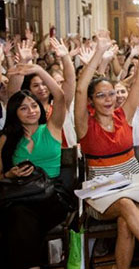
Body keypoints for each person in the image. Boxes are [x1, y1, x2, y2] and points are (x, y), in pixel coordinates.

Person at [74, 20, 139, 269]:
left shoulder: (125, 115)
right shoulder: (84, 125)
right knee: (124, 205)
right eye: (100, 95)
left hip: (133, 179)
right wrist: (99, 52)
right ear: (92, 100)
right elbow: (79, 89)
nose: (108, 99)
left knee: (126, 222)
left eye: (111, 94)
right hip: (100, 188)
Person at [0, 65, 70, 269]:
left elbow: (59, 95)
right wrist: (9, 174)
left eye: (34, 105)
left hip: (51, 193)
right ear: (15, 112)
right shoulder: (6, 139)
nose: (31, 111)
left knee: (19, 218)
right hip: (21, 193)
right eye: (23, 107)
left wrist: (39, 70)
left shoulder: (52, 128)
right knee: (19, 215)